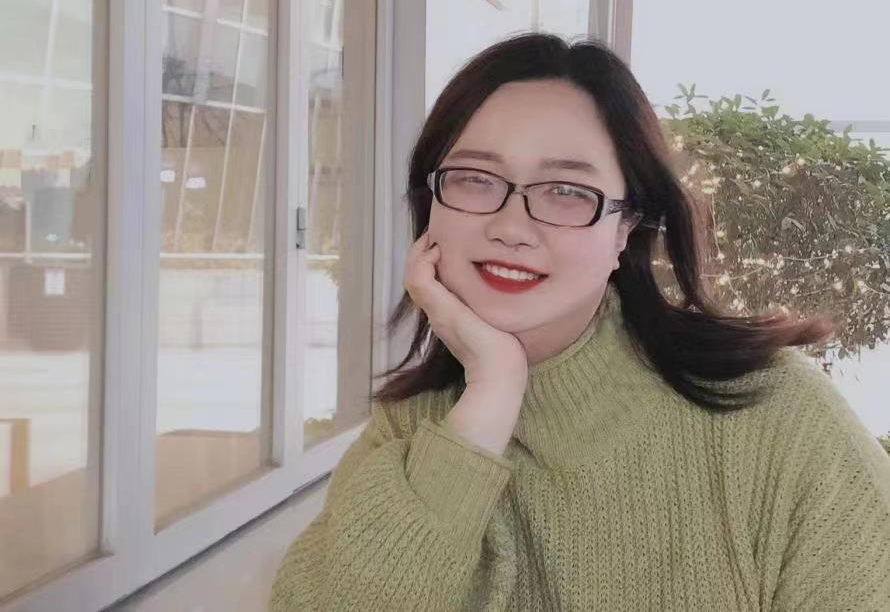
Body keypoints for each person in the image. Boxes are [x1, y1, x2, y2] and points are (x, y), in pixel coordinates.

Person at [269, 33, 890, 610]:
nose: (511, 227)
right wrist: (490, 397)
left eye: (566, 191)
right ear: (431, 205)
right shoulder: (412, 434)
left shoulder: (780, 417)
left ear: (625, 229)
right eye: (476, 179)